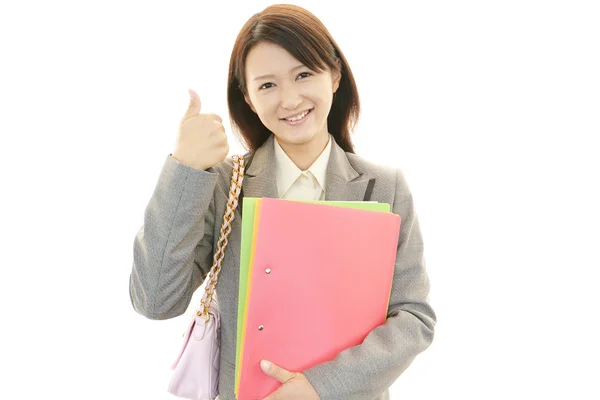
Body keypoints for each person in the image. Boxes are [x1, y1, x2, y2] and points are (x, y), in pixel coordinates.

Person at [129, 4, 436, 400]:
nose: (289, 100)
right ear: (249, 98)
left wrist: (317, 387)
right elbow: (155, 301)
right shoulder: (224, 185)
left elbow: (414, 317)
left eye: (304, 74)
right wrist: (184, 170)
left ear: (335, 75)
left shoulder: (384, 186)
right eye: (267, 85)